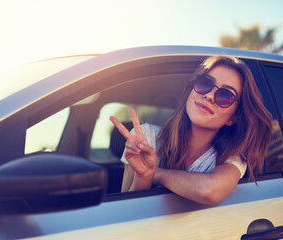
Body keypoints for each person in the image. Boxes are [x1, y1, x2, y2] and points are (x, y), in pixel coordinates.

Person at [109, 55, 272, 205]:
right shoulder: (147, 137)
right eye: (205, 83)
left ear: (232, 118)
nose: (209, 96)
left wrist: (154, 173)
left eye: (225, 96)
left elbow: (208, 190)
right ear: (191, 91)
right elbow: (127, 210)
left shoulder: (232, 158)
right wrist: (143, 176)